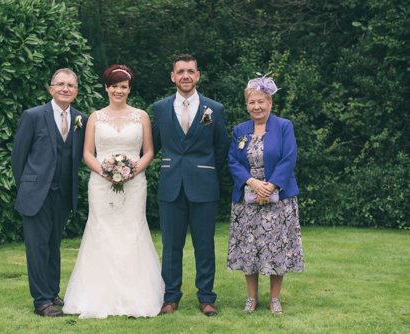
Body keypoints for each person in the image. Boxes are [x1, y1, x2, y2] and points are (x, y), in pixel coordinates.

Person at [63, 64, 164, 318]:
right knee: (102, 232)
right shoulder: (95, 117)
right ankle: (98, 295)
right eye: (114, 86)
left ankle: (136, 295)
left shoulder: (141, 116)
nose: (119, 91)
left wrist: (131, 171)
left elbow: (149, 151)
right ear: (106, 87)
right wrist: (106, 172)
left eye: (123, 87)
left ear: (129, 89)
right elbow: (88, 153)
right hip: (101, 184)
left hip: (134, 183)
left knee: (132, 232)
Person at [152, 54, 229, 317]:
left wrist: (205, 170)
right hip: (171, 185)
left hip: (204, 186)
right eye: (180, 71)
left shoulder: (214, 109)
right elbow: (155, 143)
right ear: (173, 76)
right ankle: (171, 297)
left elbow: (221, 147)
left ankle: (206, 297)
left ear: (198, 75)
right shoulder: (160, 108)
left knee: (204, 245)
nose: (185, 75)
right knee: (171, 246)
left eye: (190, 71)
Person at [11, 68, 87, 317]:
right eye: (61, 84)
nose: (66, 89)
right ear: (50, 88)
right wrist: (29, 187)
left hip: (63, 194)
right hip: (36, 193)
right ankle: (41, 301)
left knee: (54, 245)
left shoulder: (80, 119)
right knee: (37, 247)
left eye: (71, 85)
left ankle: (53, 293)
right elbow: (19, 158)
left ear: (76, 91)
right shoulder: (33, 116)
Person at [226, 73, 304, 315]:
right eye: (252, 102)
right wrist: (252, 182)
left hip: (278, 199)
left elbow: (289, 157)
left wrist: (270, 186)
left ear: (270, 103)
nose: (256, 106)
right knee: (249, 248)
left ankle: (274, 299)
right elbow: (232, 161)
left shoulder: (284, 126)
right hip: (247, 200)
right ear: (246, 104)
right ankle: (251, 298)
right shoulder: (240, 130)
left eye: (261, 101)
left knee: (276, 248)